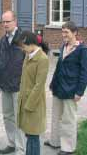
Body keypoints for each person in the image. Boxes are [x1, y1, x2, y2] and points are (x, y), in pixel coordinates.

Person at [45, 21, 87, 155]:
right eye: (62, 32)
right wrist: (52, 83)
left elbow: (84, 72)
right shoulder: (63, 46)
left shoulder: (82, 50)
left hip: (71, 89)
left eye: (66, 32)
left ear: (75, 33)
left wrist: (79, 92)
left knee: (68, 119)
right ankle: (55, 141)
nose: (64, 35)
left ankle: (68, 148)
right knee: (56, 116)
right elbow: (58, 67)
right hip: (58, 87)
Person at [0, 10, 25, 155]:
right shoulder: (2, 40)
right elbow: (0, 61)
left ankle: (21, 148)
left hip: (19, 85)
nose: (5, 24)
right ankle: (12, 143)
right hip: (5, 84)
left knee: (19, 118)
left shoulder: (24, 38)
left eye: (8, 21)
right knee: (7, 116)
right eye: (3, 22)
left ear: (15, 22)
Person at [17, 31, 49, 155]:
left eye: (23, 46)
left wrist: (29, 105)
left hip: (33, 105)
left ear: (31, 44)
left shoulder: (42, 59)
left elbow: (39, 85)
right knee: (28, 134)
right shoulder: (28, 55)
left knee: (33, 136)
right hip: (25, 101)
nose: (22, 49)